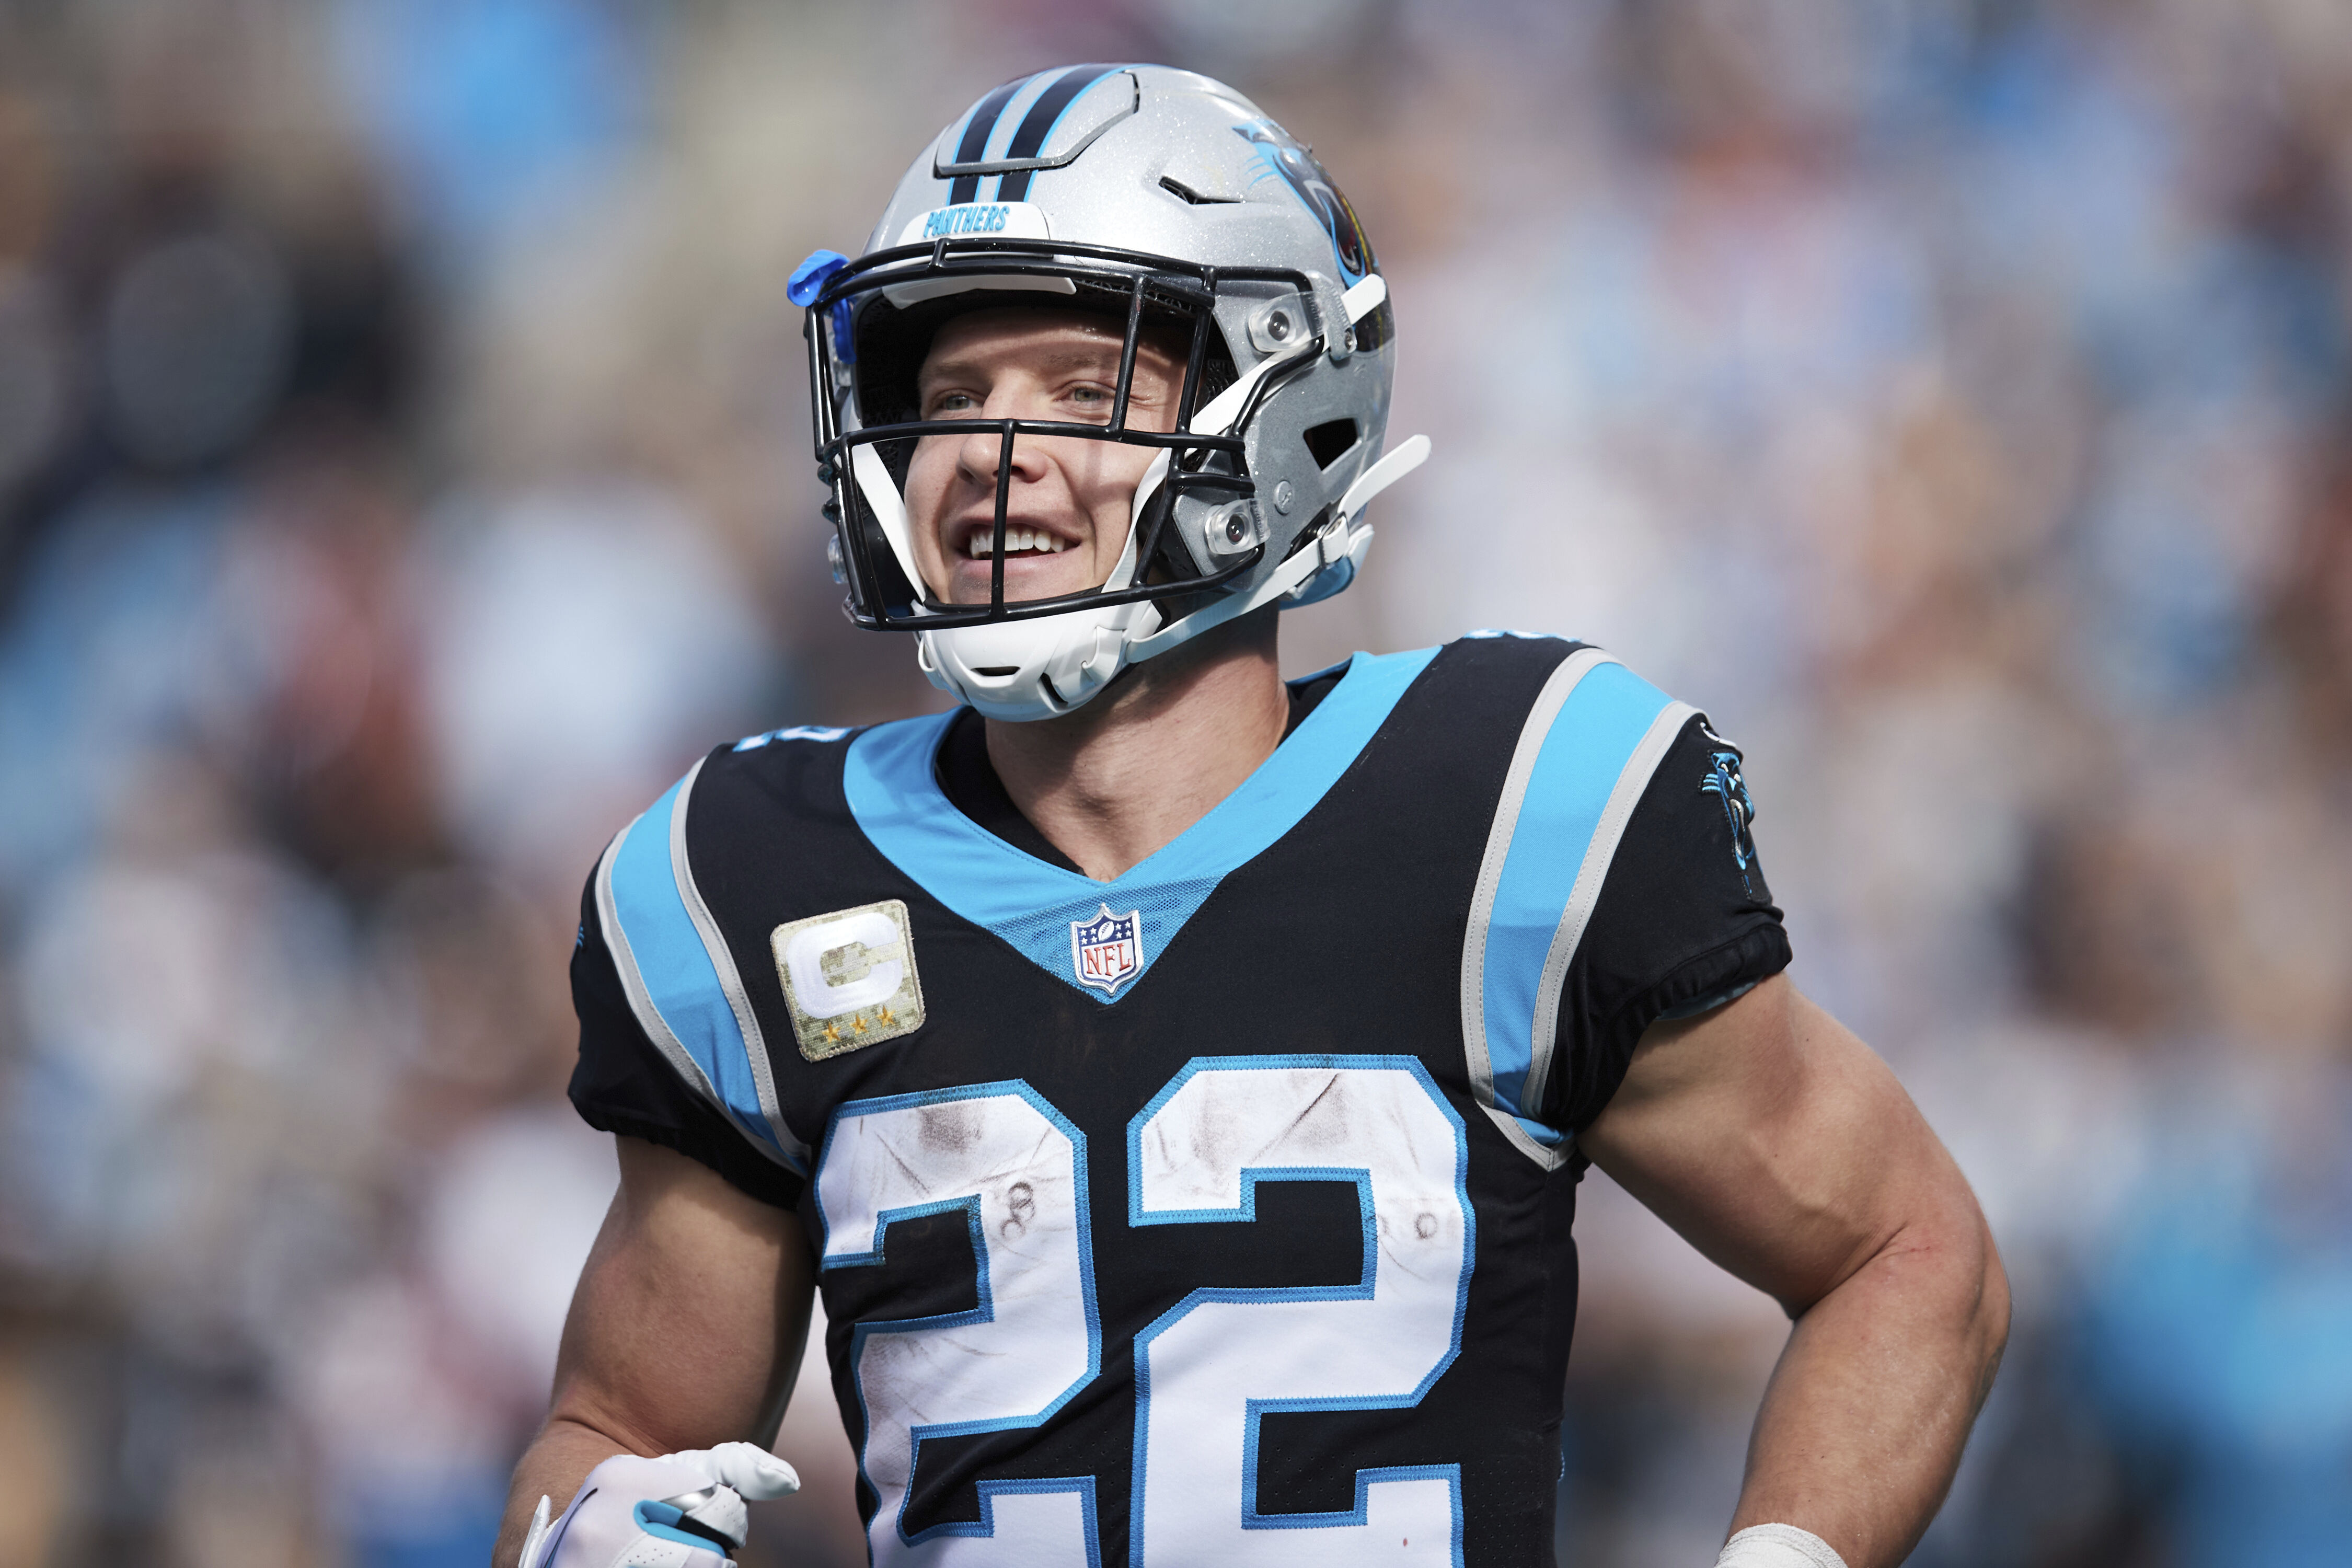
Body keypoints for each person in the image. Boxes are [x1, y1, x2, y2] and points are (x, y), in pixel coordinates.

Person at [496, 64, 2008, 1568]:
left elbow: (1906, 1254)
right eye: (952, 397)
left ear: (1283, 410)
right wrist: (582, 1540)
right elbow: (613, 1426)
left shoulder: (1506, 807)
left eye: (1082, 390)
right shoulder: (758, 874)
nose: (988, 454)